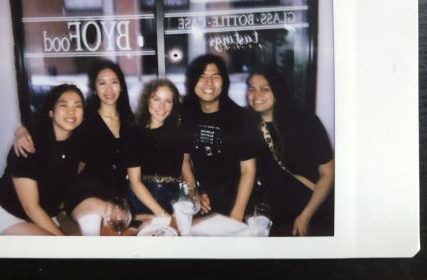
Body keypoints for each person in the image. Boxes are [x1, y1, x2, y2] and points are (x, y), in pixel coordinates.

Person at [13, 60, 137, 230]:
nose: (109, 89)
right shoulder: (83, 123)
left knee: (129, 225)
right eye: (102, 83)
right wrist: (21, 131)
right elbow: (48, 123)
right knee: (109, 223)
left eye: (114, 82)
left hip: (119, 195)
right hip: (87, 192)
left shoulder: (131, 123)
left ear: (121, 86)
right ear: (94, 88)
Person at [246, 67, 334, 236]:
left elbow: (328, 173)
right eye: (252, 89)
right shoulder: (249, 125)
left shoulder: (306, 122)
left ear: (278, 91)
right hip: (271, 215)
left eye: (265, 89)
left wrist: (305, 216)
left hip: (311, 210)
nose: (256, 95)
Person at [0, 84, 84, 235]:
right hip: (9, 212)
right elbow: (31, 208)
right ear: (51, 112)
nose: (71, 111)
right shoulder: (29, 146)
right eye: (63, 105)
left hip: (45, 213)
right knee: (58, 250)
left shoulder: (77, 144)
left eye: (78, 106)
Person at [181, 54, 256, 221]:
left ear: (224, 82)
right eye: (202, 76)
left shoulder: (240, 117)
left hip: (239, 203)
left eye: (215, 76)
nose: (209, 83)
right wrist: (195, 195)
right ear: (193, 82)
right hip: (204, 202)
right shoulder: (187, 115)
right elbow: (185, 161)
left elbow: (248, 170)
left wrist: (237, 214)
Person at [126, 79, 195, 216]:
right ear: (147, 101)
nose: (162, 107)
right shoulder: (134, 133)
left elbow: (185, 165)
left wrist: (194, 194)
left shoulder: (180, 131)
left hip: (175, 195)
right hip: (145, 197)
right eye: (156, 99)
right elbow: (135, 182)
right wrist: (162, 214)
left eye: (168, 101)